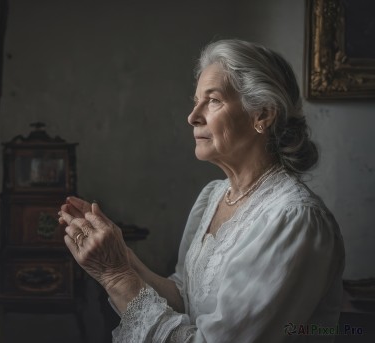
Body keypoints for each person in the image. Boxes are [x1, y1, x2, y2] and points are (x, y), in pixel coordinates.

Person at [58, 39, 345, 342]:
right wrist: (121, 256)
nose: (193, 116)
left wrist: (116, 275)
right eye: (195, 101)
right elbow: (184, 299)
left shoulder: (294, 220)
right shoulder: (215, 196)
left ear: (262, 114)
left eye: (213, 100)